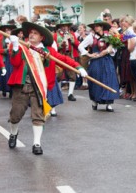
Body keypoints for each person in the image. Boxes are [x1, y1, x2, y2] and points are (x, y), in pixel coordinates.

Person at [7, 22, 87, 155]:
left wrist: (79, 67)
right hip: (22, 86)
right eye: (30, 33)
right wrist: (15, 47)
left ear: (41, 38)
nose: (31, 35)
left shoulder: (48, 51)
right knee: (15, 115)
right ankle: (13, 134)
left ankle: (36, 143)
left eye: (35, 33)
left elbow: (64, 59)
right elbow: (15, 63)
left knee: (38, 115)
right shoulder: (22, 47)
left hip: (39, 87)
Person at [81, 19, 120, 111]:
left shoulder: (108, 36)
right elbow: (80, 46)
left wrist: (108, 50)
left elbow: (115, 47)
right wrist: (89, 54)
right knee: (95, 80)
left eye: (98, 26)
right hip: (96, 61)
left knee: (109, 79)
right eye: (95, 26)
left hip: (107, 60)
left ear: (102, 27)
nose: (96, 27)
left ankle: (109, 103)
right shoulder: (91, 37)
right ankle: (94, 101)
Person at [53, 22, 80, 102]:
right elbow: (54, 46)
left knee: (72, 75)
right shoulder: (55, 35)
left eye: (66, 26)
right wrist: (61, 44)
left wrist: (71, 40)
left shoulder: (72, 34)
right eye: (63, 26)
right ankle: (58, 93)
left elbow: (77, 44)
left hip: (69, 56)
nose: (65, 28)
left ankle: (70, 94)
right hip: (60, 56)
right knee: (58, 75)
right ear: (60, 27)